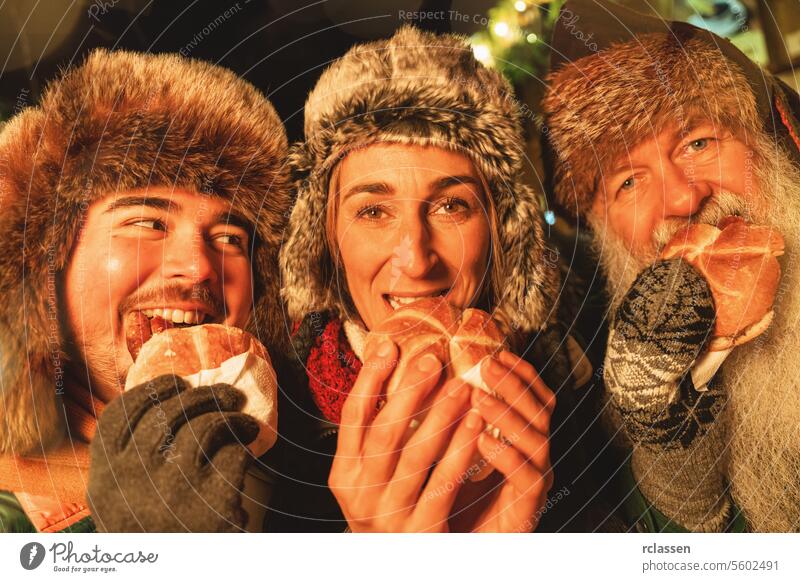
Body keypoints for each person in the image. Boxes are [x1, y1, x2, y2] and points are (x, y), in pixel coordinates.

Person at [273, 25, 601, 533]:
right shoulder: (271, 425)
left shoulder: (579, 382)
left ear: (501, 231)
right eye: (374, 210)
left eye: (452, 205)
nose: (417, 259)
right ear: (326, 239)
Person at [0, 49, 291, 532]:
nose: (199, 267)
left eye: (229, 238)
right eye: (148, 222)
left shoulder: (312, 481)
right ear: (47, 262)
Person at [542, 0, 800, 532]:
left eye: (698, 142)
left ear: (769, 140)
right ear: (602, 228)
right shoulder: (598, 391)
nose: (683, 198)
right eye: (628, 182)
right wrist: (666, 440)